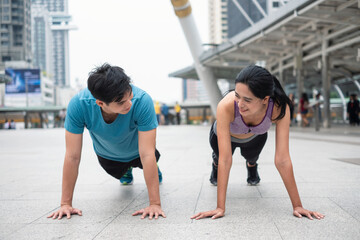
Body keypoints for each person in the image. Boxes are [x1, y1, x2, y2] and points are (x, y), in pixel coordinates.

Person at [191, 65, 324, 221]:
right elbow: (226, 160)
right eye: (237, 96)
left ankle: (252, 166)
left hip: (255, 137)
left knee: (251, 157)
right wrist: (220, 207)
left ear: (265, 100)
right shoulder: (226, 106)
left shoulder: (279, 108)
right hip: (224, 135)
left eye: (247, 99)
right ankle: (215, 164)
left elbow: (282, 159)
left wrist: (297, 205)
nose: (240, 104)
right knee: (220, 157)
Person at [48, 63, 165, 220]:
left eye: (129, 97)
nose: (129, 104)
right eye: (121, 103)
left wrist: (155, 204)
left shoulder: (142, 100)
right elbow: (72, 156)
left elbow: (147, 153)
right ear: (100, 103)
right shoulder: (79, 105)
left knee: (149, 160)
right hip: (109, 156)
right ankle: (126, 171)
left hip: (138, 152)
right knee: (121, 174)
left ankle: (153, 169)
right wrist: (65, 204)